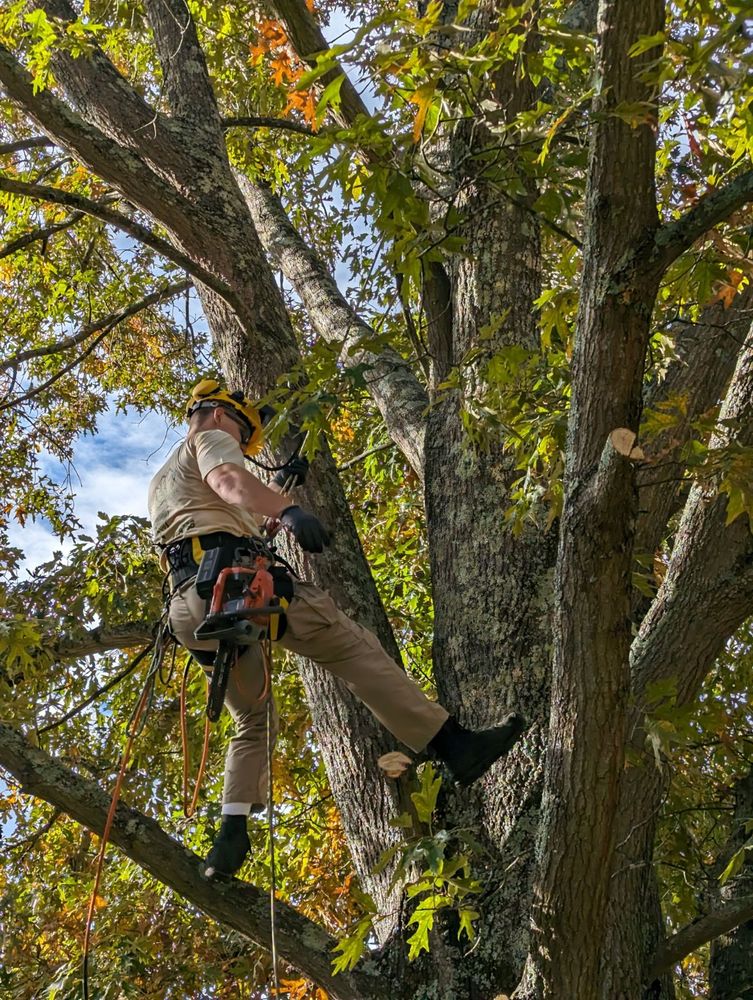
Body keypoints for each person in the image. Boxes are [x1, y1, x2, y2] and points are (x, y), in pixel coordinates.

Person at [147, 379, 526, 877]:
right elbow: (229, 482)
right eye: (243, 435)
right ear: (219, 415)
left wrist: (280, 492)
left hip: (191, 607)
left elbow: (229, 512)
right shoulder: (210, 438)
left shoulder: (165, 479)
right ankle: (456, 746)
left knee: (254, 720)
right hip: (237, 584)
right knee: (353, 648)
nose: (241, 446)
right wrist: (288, 509)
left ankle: (230, 837)